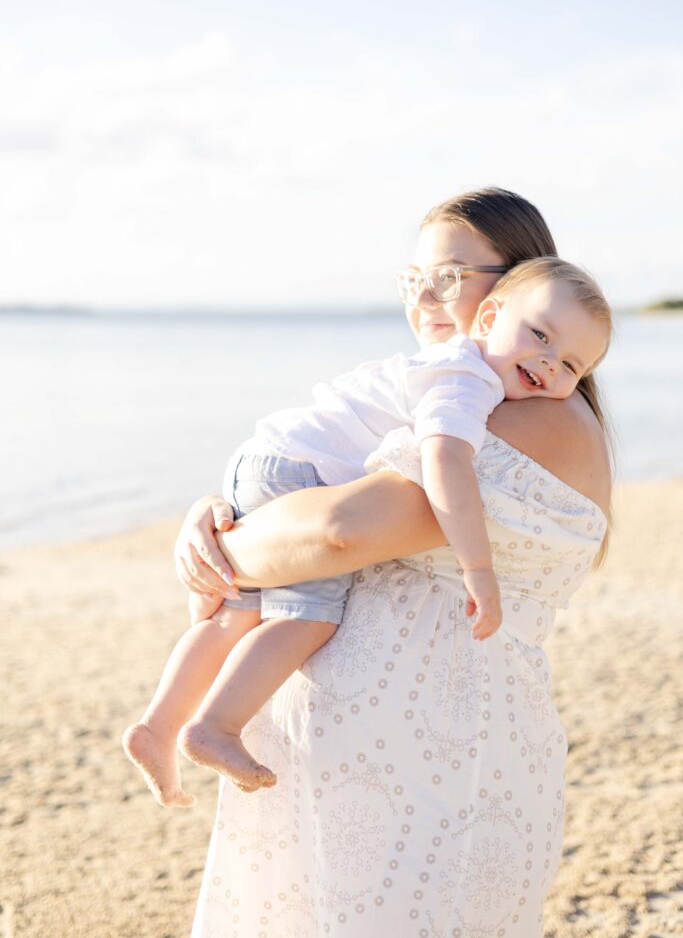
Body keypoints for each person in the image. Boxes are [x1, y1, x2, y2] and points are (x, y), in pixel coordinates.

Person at [178, 187, 613, 936]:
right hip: (361, 761)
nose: (425, 296)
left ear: (512, 283)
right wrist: (215, 513)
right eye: (414, 278)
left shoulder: (530, 414)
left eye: (449, 274)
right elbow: (308, 481)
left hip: (435, 762)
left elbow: (341, 530)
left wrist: (225, 549)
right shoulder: (461, 397)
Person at [123, 256, 611, 808]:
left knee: (238, 615)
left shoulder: (472, 378)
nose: (549, 363)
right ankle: (214, 725)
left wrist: (221, 543)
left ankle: (157, 727)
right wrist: (478, 566)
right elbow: (441, 467)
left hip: (273, 459)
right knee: (308, 617)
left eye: (571, 364)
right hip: (297, 473)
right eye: (540, 336)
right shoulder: (467, 380)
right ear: (492, 313)